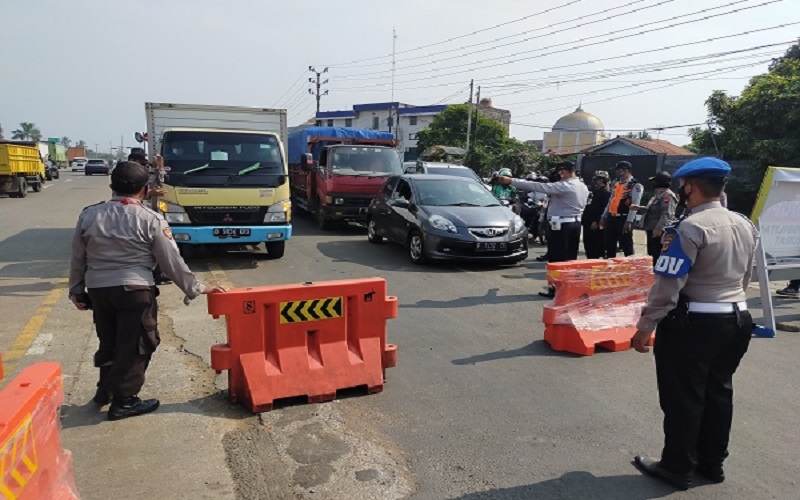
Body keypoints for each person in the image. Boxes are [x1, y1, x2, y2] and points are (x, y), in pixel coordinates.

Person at [630, 157, 758, 490]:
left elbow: (669, 284)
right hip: (737, 318)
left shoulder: (689, 228)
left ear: (690, 187)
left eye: (683, 188)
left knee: (683, 397)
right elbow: (748, 274)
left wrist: (646, 325)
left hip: (695, 323)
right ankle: (711, 463)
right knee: (718, 392)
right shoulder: (744, 223)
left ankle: (677, 467)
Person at [68, 161, 227, 421]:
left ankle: (105, 390)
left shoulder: (89, 214)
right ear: (145, 189)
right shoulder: (150, 219)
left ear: (112, 187)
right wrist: (197, 288)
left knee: (109, 339)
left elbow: (77, 257)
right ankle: (124, 401)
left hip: (99, 290)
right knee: (137, 345)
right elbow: (170, 260)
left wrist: (76, 290)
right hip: (135, 290)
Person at [498, 161, 589, 297]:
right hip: (575, 224)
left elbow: (537, 186)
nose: (560, 174)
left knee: (555, 259)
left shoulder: (565, 185)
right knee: (570, 258)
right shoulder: (582, 186)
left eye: (561, 171)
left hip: (561, 225)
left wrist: (511, 181)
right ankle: (568, 288)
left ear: (565, 171)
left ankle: (555, 288)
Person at [601, 161, 643, 257]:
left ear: (625, 170)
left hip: (624, 218)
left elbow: (635, 205)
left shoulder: (635, 185)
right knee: (609, 245)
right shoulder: (616, 183)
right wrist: (604, 216)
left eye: (619, 170)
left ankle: (630, 266)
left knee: (626, 245)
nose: (617, 172)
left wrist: (629, 221)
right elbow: (611, 200)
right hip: (612, 217)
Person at [640, 171, 678, 265]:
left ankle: (658, 276)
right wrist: (639, 208)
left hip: (658, 230)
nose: (653, 184)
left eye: (655, 181)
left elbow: (667, 213)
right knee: (652, 254)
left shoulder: (667, 195)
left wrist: (659, 228)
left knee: (658, 255)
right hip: (651, 227)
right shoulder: (658, 194)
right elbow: (652, 208)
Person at [581, 170, 611, 259]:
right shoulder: (593, 193)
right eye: (596, 179)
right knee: (588, 245)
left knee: (595, 247)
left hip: (596, 224)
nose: (596, 181)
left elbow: (604, 210)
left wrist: (596, 221)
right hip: (587, 222)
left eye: (599, 179)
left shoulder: (606, 194)